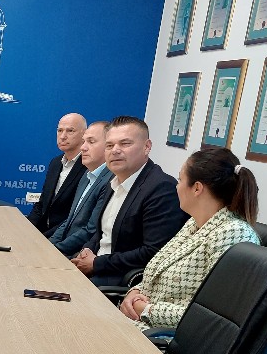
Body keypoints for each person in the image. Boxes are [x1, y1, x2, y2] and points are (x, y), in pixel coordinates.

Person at [121, 148, 260, 330]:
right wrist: (135, 292)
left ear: (197, 188)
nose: (176, 186)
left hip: (164, 337)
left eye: (180, 180)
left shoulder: (233, 234)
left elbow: (213, 316)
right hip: (139, 323)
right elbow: (158, 274)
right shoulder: (194, 223)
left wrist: (146, 310)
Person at [71, 116, 188, 286]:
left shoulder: (161, 188)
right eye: (109, 145)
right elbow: (102, 233)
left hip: (119, 281)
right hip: (94, 270)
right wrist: (86, 250)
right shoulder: (113, 181)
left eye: (125, 144)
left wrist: (97, 263)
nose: (115, 151)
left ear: (147, 147)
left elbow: (154, 252)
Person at [49, 121, 114, 256]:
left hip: (80, 255)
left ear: (109, 146)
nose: (83, 148)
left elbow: (90, 230)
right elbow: (69, 220)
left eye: (91, 142)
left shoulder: (110, 181)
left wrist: (54, 251)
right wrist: (49, 244)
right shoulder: (86, 175)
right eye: (84, 142)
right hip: (63, 250)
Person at [26, 112, 87, 236]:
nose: (63, 136)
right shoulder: (55, 163)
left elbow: (76, 217)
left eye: (70, 131)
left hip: (64, 237)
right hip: (42, 231)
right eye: (60, 131)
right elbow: (42, 204)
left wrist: (45, 238)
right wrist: (26, 229)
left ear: (84, 135)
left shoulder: (88, 166)